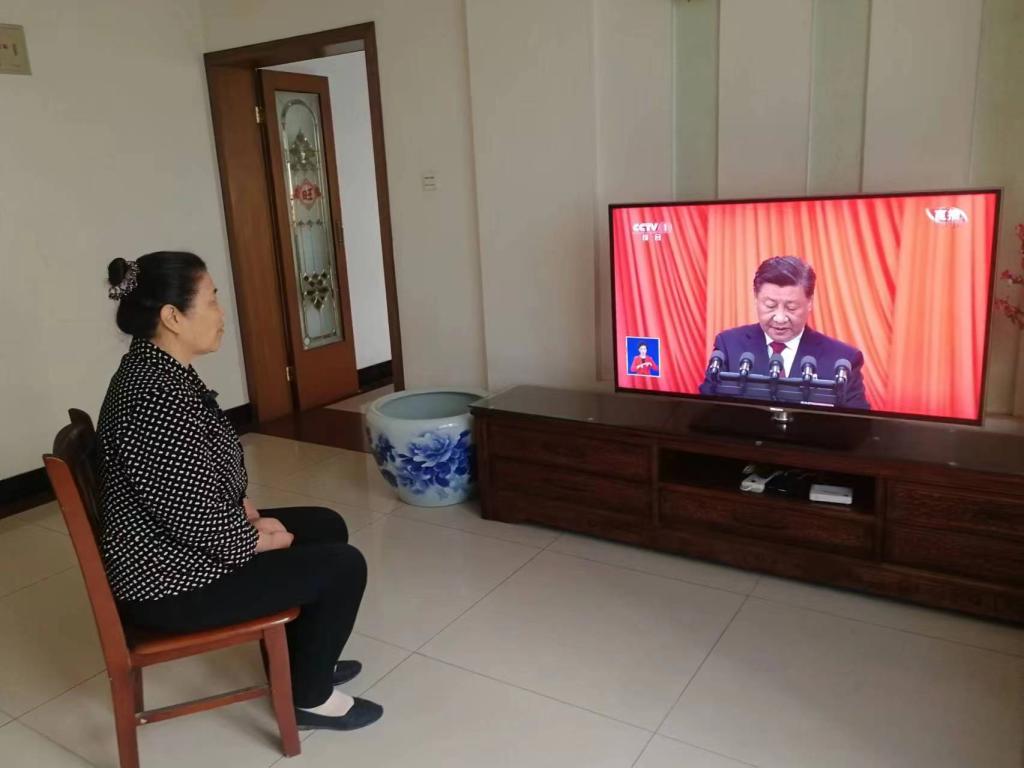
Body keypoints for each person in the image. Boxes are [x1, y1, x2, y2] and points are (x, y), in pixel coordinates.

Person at [96, 251, 382, 731]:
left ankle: (302, 665)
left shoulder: (161, 372)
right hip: (169, 583)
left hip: (177, 547)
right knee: (343, 567)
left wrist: (248, 511)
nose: (221, 314)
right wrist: (259, 538)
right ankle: (309, 698)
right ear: (172, 317)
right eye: (211, 301)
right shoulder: (151, 397)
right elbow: (194, 518)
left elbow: (201, 473)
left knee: (324, 525)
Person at [698, 255, 870, 409]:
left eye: (791, 307)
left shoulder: (843, 359)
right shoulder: (729, 346)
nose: (780, 318)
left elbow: (857, 426)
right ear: (756, 298)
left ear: (810, 302)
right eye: (770, 306)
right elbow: (705, 412)